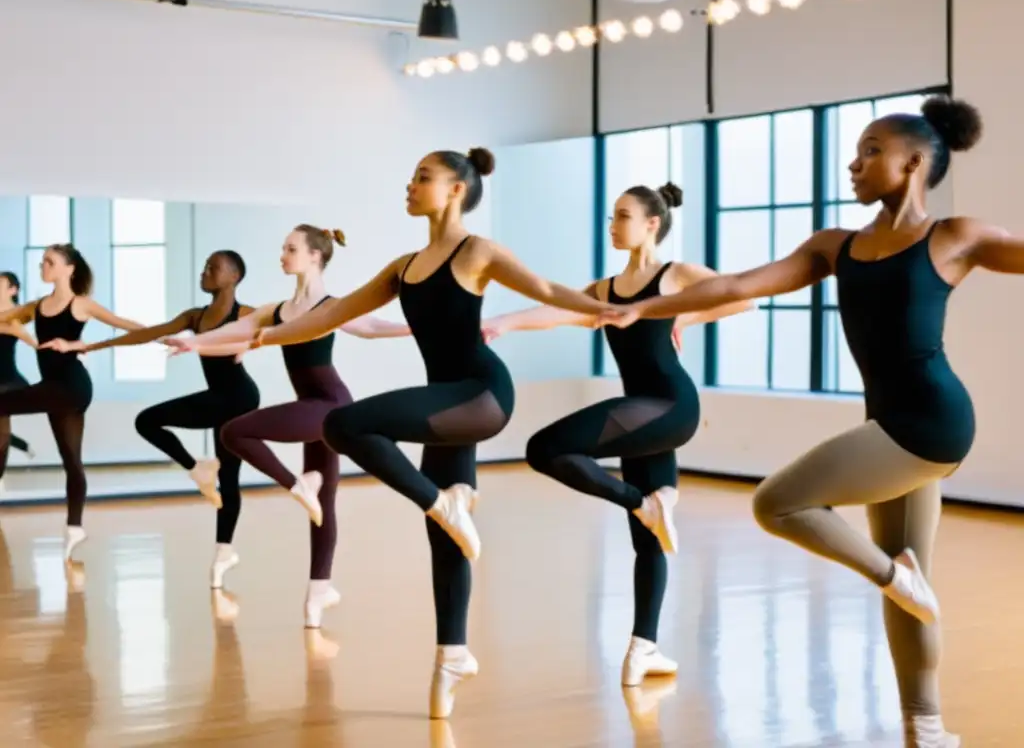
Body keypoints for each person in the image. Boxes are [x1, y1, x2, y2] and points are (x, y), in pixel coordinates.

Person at [603, 95, 1013, 748]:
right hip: (890, 425)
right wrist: (647, 310)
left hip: (932, 423)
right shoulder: (835, 247)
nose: (854, 164)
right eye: (856, 151)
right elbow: (739, 286)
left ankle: (891, 575)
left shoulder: (953, 237)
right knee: (912, 588)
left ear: (913, 163)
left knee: (777, 502)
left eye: (871, 151)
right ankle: (927, 728)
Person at [233, 147, 619, 720]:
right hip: (446, 409)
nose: (410, 185)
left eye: (423, 177)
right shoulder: (402, 266)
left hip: (481, 395)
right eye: (411, 176)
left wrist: (610, 310)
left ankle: (441, 503)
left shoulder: (476, 251)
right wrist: (261, 338)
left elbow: (543, 288)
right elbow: (327, 318)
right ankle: (452, 656)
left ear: (457, 189)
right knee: (447, 536)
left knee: (345, 423)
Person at [482, 181, 752, 688]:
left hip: (671, 406)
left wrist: (683, 316)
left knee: (545, 448)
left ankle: (641, 502)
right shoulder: (605, 290)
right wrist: (505, 322)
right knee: (649, 536)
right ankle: (643, 648)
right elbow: (557, 309)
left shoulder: (676, 276)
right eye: (611, 217)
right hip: (641, 414)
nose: (613, 225)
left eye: (623, 216)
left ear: (652, 223)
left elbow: (741, 299)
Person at [165, 226, 410, 627]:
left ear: (315, 256)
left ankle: (313, 563)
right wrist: (194, 342)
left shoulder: (332, 305)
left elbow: (372, 327)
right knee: (315, 503)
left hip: (331, 405)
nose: (282, 254)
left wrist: (417, 329)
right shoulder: (276, 309)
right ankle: (319, 587)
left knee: (238, 435)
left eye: (291, 249)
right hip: (311, 404)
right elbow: (234, 332)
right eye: (283, 248)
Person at [42, 250, 260, 587]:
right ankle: (196, 468)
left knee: (229, 477)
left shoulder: (245, 313)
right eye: (204, 266)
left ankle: (223, 550)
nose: (204, 271)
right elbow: (146, 333)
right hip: (217, 398)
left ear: (234, 277)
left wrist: (255, 342)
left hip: (242, 399)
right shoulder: (195, 316)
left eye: (212, 268)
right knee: (147, 421)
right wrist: (84, 347)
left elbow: (283, 326)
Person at [0, 243, 144, 560]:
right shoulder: (36, 306)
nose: (43, 266)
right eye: (42, 262)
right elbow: (3, 317)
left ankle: (74, 525)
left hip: (73, 387)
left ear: (68, 269)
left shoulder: (81, 304)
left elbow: (122, 324)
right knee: (72, 461)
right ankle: (75, 528)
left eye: (49, 262)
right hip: (54, 390)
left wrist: (165, 334)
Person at [0, 272, 38, 485]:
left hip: (6, 382)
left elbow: (31, 342)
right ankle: (23, 445)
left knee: (1, 434)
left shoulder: (15, 318)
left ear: (13, 290)